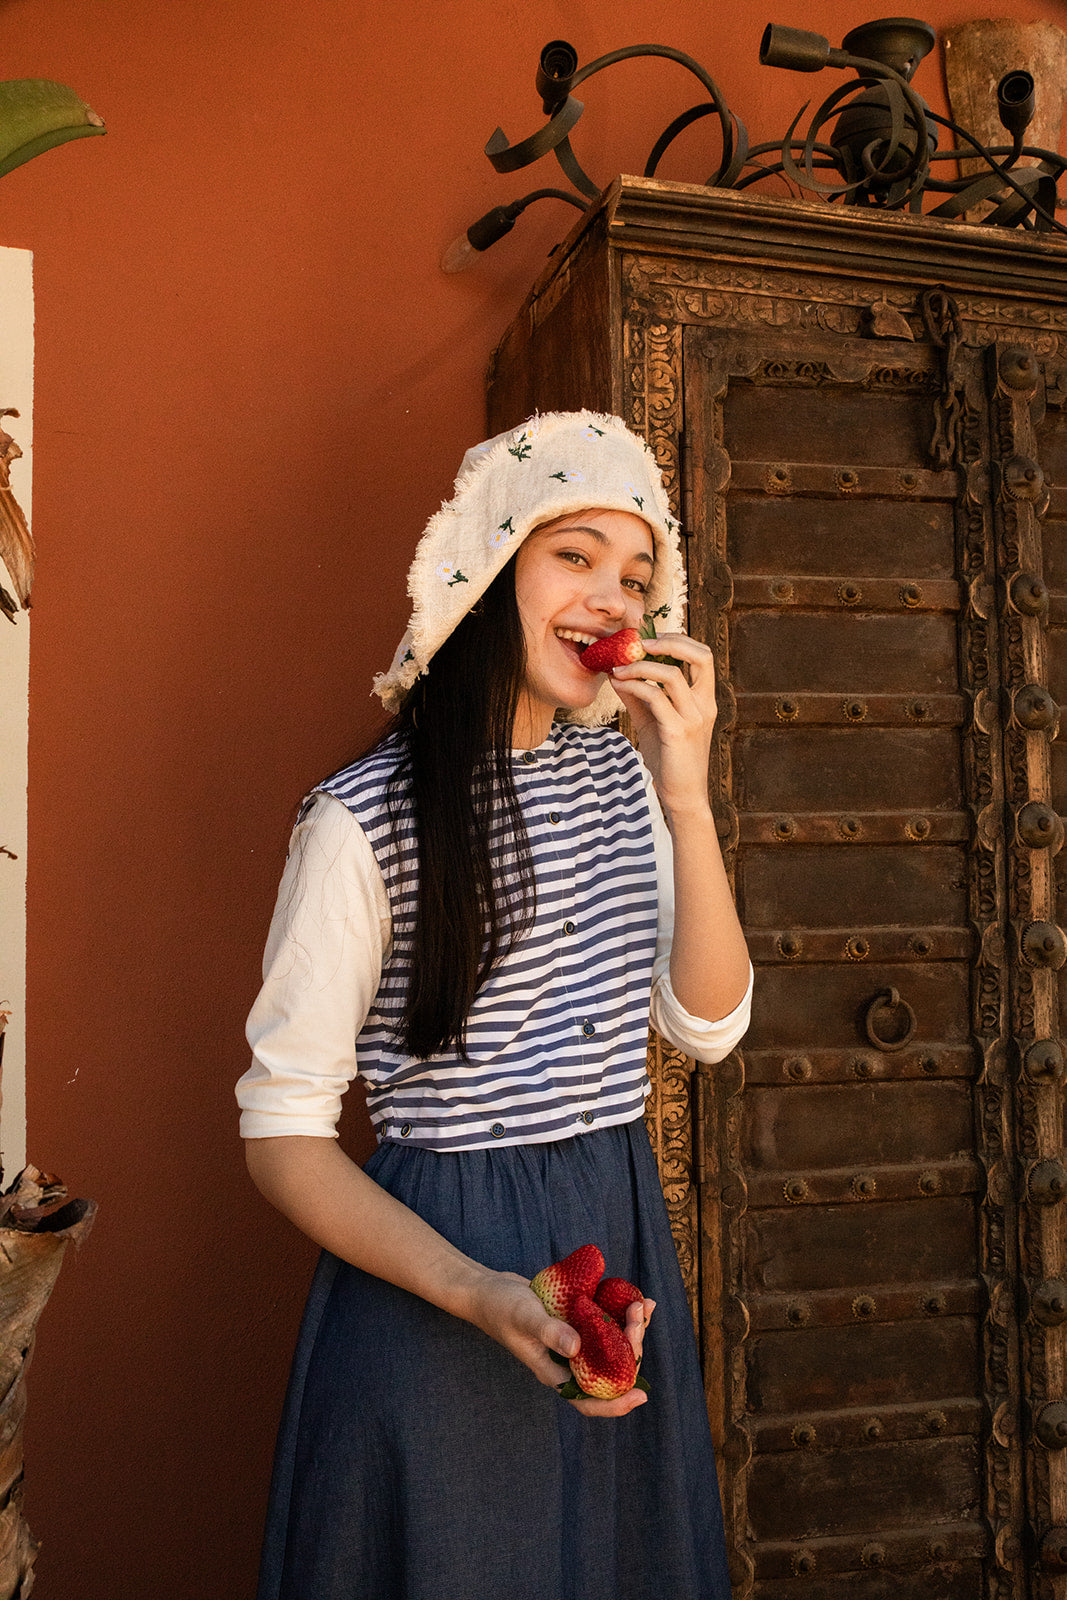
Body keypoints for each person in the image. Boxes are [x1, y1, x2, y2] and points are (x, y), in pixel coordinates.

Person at [236, 410, 752, 1600]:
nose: (611, 597)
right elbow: (281, 1136)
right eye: (572, 556)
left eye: (636, 575)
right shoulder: (359, 821)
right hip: (437, 1269)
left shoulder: (629, 781)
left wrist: (686, 796)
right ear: (485, 567)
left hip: (611, 1232)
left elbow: (708, 1024)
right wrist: (476, 1288)